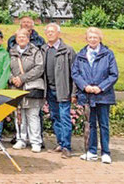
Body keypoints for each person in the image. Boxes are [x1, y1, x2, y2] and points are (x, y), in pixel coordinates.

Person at [72, 27, 119, 164]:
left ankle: (105, 152)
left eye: (95, 37)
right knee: (90, 124)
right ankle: (91, 151)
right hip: (87, 95)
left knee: (103, 124)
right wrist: (85, 86)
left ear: (100, 39)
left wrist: (100, 87)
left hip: (103, 96)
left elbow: (113, 74)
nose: (93, 40)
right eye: (90, 37)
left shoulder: (108, 54)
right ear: (86, 39)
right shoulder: (80, 55)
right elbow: (75, 73)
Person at [40, 23, 76, 159]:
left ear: (58, 34)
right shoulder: (43, 49)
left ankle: (67, 147)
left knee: (65, 118)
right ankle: (60, 143)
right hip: (49, 90)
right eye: (48, 32)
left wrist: (74, 93)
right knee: (55, 117)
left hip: (63, 90)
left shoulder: (67, 50)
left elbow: (75, 73)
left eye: (52, 32)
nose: (50, 34)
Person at [9, 29, 45, 153]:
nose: (22, 39)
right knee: (19, 116)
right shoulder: (11, 52)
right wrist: (12, 79)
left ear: (28, 38)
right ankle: (21, 139)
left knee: (33, 115)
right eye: (19, 37)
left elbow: (39, 68)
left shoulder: (35, 52)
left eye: (24, 36)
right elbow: (6, 68)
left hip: (32, 87)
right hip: (16, 88)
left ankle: (36, 141)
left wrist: (22, 78)